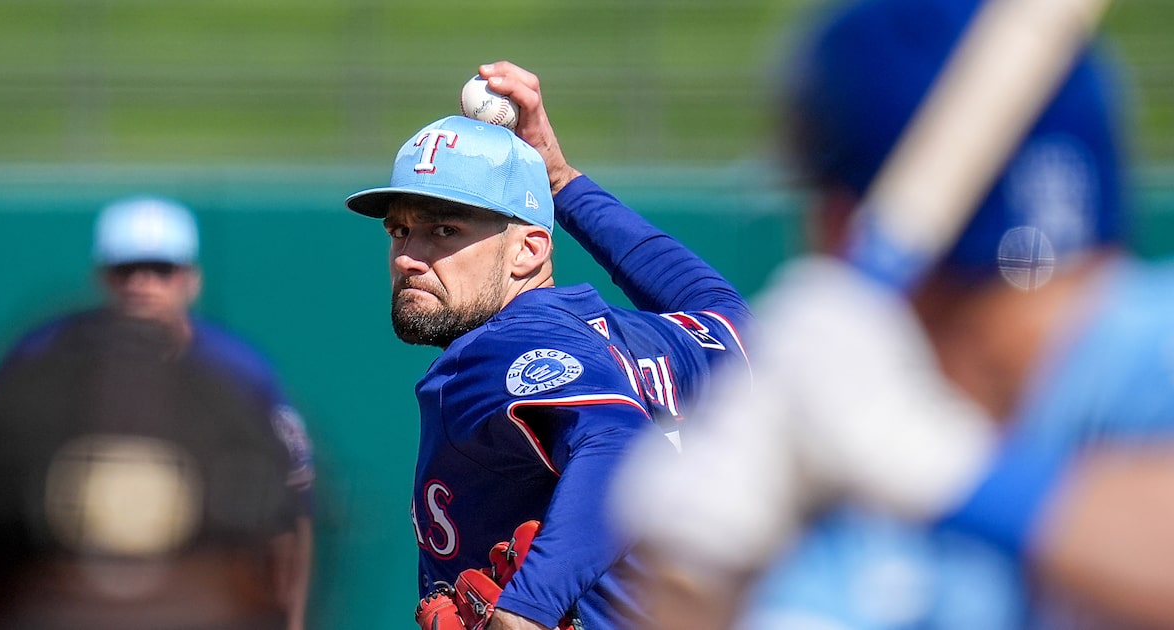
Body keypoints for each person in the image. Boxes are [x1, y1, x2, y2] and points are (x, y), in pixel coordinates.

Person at [612, 0, 1174, 628]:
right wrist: (698, 574)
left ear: (838, 220)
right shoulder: (856, 452)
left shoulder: (896, 442)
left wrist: (947, 472)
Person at [343, 62, 751, 630]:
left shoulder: (501, 348)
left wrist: (526, 609)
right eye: (399, 230)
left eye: (444, 230)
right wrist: (561, 179)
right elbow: (725, 313)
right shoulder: (650, 341)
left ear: (529, 251)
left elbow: (623, 446)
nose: (409, 255)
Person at [0, 196, 315, 630]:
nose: (142, 283)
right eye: (126, 269)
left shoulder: (239, 374)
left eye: (161, 269)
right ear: (102, 277)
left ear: (191, 279)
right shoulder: (41, 363)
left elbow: (292, 517)